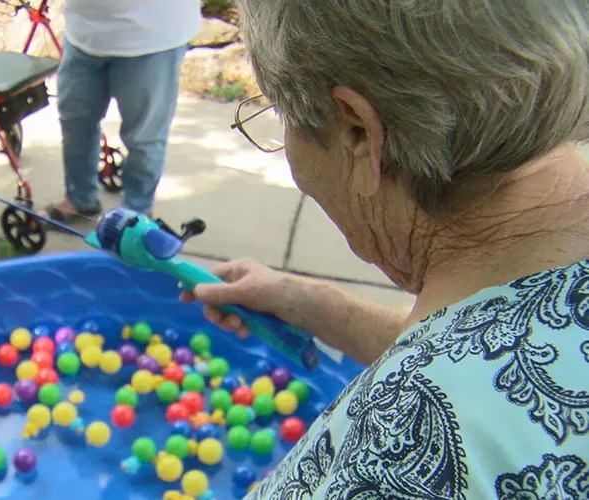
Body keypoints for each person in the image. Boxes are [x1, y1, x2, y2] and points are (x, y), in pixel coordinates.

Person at [182, 1, 589, 498]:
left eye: (278, 111)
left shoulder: (393, 458)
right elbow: (495, 349)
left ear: (357, 131)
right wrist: (312, 305)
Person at [42, 0, 201, 222]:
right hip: (84, 32)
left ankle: (134, 216)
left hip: (152, 38)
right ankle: (80, 199)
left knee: (144, 137)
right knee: (75, 122)